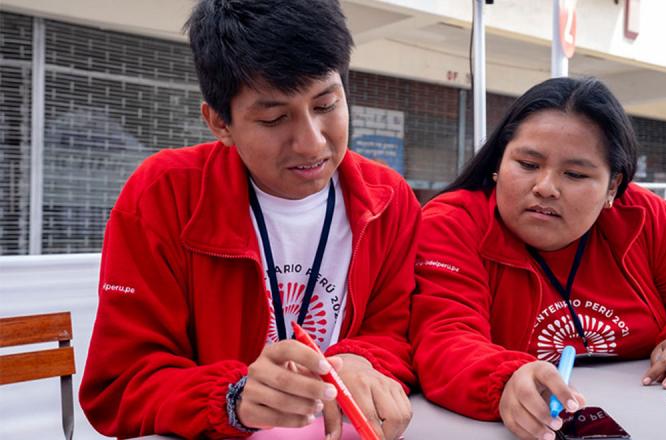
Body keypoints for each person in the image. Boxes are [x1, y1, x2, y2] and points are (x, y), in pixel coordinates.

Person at [79, 1, 418, 438]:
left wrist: (361, 359)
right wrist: (232, 399)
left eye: (326, 104)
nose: (311, 143)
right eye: (274, 118)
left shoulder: (389, 200)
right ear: (220, 122)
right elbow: (119, 384)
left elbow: (398, 334)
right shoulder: (164, 195)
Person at [410, 77, 666, 440]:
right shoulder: (452, 224)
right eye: (527, 164)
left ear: (613, 186)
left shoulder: (646, 219)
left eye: (574, 174)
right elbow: (444, 339)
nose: (545, 187)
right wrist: (506, 379)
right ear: (498, 162)